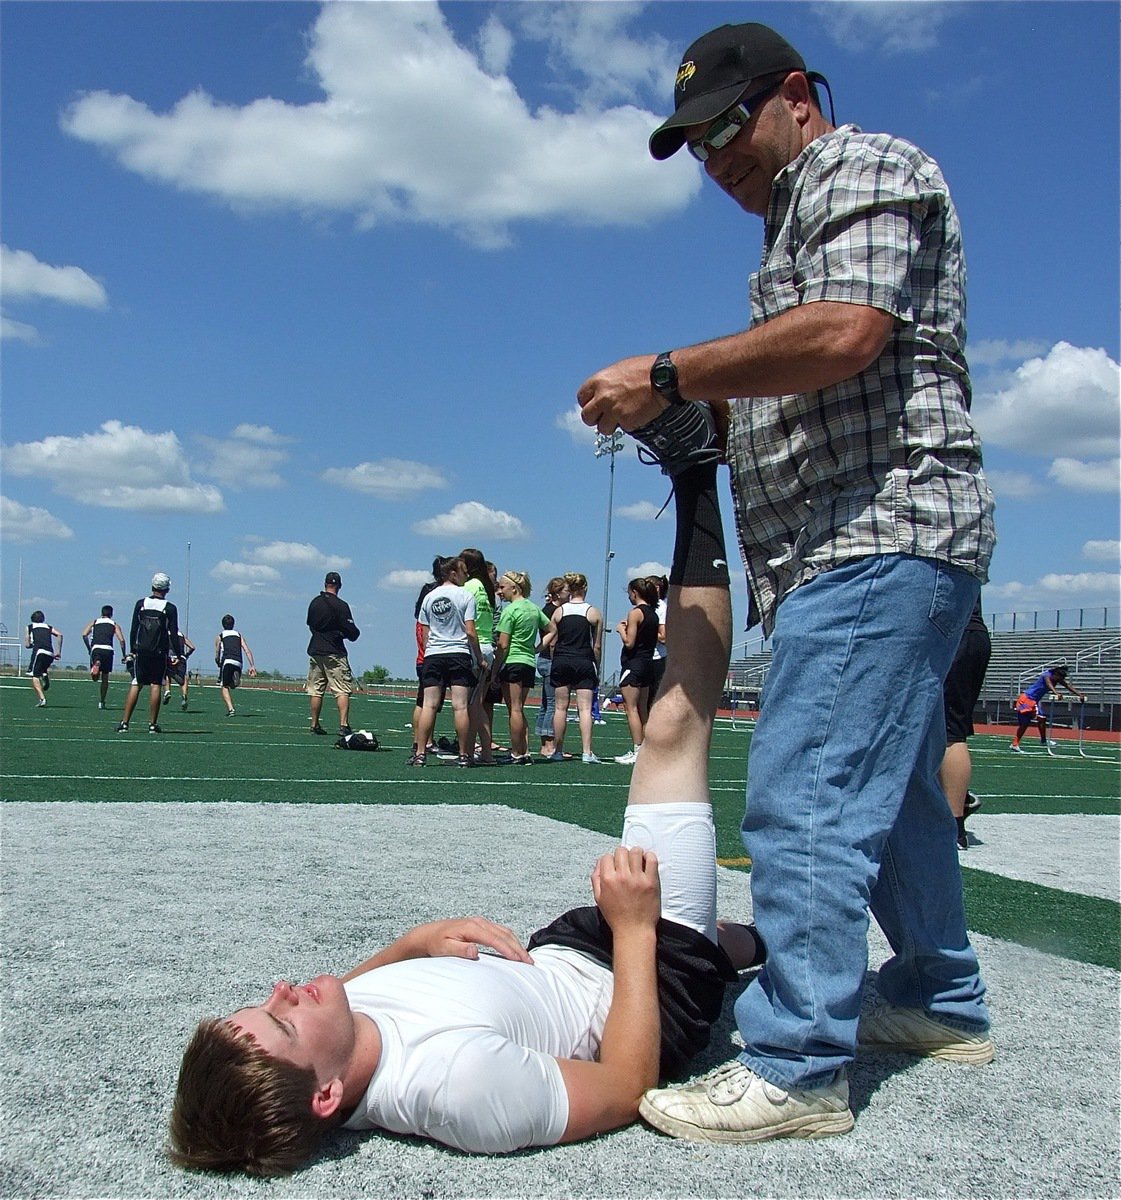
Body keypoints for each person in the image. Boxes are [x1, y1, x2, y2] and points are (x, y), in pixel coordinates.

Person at [579, 20, 996, 1143]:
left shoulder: (858, 165)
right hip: (867, 542)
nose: (715, 158)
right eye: (693, 144)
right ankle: (934, 995)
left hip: (874, 533)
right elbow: (808, 364)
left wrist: (666, 371)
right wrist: (703, 412)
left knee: (804, 789)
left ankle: (797, 1062)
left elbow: (847, 333)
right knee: (904, 795)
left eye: (725, 126)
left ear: (796, 97)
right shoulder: (783, 232)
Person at [168, 468, 765, 1176]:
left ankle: (768, 944)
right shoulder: (454, 1087)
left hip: (563, 954)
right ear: (328, 1095)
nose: (280, 991)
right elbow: (624, 1083)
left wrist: (411, 942)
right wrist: (636, 931)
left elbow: (350, 998)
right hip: (643, 985)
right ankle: (697, 477)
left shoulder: (337, 1033)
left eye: (260, 1005)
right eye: (282, 1020)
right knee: (670, 726)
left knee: (746, 943)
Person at [412, 556, 482, 768]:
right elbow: (470, 631)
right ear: (453, 573)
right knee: (460, 707)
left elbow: (424, 633)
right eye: (463, 571)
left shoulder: (429, 597)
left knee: (428, 705)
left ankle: (420, 754)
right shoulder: (466, 596)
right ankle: (463, 755)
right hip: (458, 654)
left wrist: (431, 651)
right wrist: (479, 658)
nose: (466, 575)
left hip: (434, 655)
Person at [941, 600, 991, 849]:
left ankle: (952, 825)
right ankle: (952, 810)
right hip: (970, 632)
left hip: (949, 632)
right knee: (950, 730)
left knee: (949, 733)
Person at [542, 572, 604, 763]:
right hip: (583, 661)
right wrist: (597, 665)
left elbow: (552, 642)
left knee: (560, 708)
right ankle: (587, 751)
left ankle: (558, 751)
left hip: (561, 661)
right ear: (585, 588)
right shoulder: (593, 612)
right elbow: (597, 645)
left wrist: (556, 659)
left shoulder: (559, 612)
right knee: (585, 709)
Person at [493, 571, 550, 765]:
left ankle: (517, 752)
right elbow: (552, 630)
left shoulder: (510, 611)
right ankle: (524, 751)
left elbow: (502, 645)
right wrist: (537, 649)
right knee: (519, 709)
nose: (499, 591)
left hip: (513, 662)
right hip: (528, 664)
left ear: (514, 588)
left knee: (515, 710)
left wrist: (494, 671)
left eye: (502, 587)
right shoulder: (534, 609)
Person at [117, 573, 183, 734]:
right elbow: (173, 633)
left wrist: (132, 650)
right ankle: (152, 724)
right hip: (159, 652)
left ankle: (124, 723)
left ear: (152, 586)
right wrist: (179, 655)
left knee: (136, 683)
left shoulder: (141, 604)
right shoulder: (170, 608)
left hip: (141, 651)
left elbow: (134, 629)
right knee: (156, 684)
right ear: (167, 588)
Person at [306, 571, 360, 737]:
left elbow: (310, 624)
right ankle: (343, 725)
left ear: (325, 584)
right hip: (334, 652)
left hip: (316, 650)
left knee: (316, 690)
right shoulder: (341, 606)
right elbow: (352, 632)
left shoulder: (315, 603)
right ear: (339, 586)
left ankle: (314, 724)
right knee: (342, 689)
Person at [613, 577, 660, 765]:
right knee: (643, 710)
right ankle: (645, 749)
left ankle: (638, 749)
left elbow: (629, 642)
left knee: (631, 709)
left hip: (634, 664)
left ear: (635, 592)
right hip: (648, 663)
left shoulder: (636, 613)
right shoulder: (654, 614)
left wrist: (620, 630)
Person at [460, 547, 499, 764]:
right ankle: (484, 751)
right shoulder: (486, 588)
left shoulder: (469, 587)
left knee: (468, 705)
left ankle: (470, 752)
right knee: (477, 704)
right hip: (487, 646)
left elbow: (466, 622)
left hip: (474, 647)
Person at [1010, 663, 1086, 752]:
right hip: (1026, 699)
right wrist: (1056, 693)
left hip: (1034, 701)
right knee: (1025, 723)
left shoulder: (1057, 678)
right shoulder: (1046, 675)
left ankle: (1043, 741)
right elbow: (1049, 684)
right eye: (1059, 678)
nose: (1059, 680)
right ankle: (1015, 744)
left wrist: (1080, 695)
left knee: (1041, 719)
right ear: (1056, 674)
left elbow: (1068, 686)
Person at [535, 576, 570, 760]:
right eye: (566, 591)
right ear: (557, 593)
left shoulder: (547, 609)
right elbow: (552, 640)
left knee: (546, 703)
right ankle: (550, 745)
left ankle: (545, 743)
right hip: (550, 660)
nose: (569, 594)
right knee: (552, 704)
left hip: (544, 659)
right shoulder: (555, 611)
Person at [82, 605, 126, 710]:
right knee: (105, 678)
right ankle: (102, 701)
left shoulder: (94, 622)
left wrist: (89, 648)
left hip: (96, 648)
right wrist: (124, 654)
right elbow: (122, 640)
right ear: (111, 614)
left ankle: (96, 664)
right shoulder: (114, 624)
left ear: (101, 613)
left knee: (95, 678)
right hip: (108, 650)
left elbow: (84, 634)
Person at [215, 615, 257, 717]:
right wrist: (252, 665)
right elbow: (246, 650)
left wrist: (217, 660)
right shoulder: (238, 635)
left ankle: (231, 709)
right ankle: (235, 680)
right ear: (233, 624)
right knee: (232, 685)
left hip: (227, 661)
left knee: (224, 686)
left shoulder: (220, 636)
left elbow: (217, 651)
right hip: (238, 661)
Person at [25, 610, 62, 707]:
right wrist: (58, 651)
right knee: (42, 667)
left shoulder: (30, 627)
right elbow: (59, 634)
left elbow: (27, 643)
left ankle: (42, 699)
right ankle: (44, 674)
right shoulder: (48, 627)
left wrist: (30, 645)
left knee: (34, 676)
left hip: (39, 652)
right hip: (50, 653)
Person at [648, 575, 669, 707]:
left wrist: (645, 628)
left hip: (657, 659)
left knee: (654, 699)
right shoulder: (648, 606)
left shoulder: (661, 608)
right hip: (646, 657)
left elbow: (663, 637)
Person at [164, 634, 196, 711]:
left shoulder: (165, 634)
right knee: (183, 678)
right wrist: (185, 656)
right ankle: (184, 695)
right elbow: (192, 647)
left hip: (169, 657)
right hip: (181, 659)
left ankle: (167, 691)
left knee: (166, 674)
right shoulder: (181, 635)